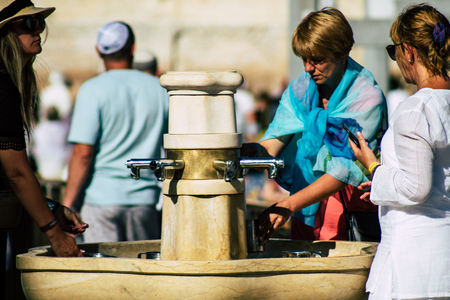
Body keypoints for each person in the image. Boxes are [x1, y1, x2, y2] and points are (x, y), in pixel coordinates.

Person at [241, 7, 386, 242]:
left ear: (342, 54)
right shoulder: (300, 90)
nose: (308, 68)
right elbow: (275, 139)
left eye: (317, 60)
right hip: (304, 208)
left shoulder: (366, 97)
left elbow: (343, 171)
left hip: (349, 213)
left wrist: (288, 204)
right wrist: (254, 153)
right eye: (305, 60)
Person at [350, 4, 450, 299]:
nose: (396, 60)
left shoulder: (416, 109)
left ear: (408, 51)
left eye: (394, 52)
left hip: (414, 267)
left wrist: (374, 168)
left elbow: (416, 187)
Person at [62, 21, 169, 243]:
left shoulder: (92, 89)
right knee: (142, 272)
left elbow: (83, 153)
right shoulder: (160, 89)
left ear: (98, 51)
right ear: (132, 48)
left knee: (104, 273)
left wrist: (68, 205)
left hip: (100, 200)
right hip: (145, 199)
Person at [0, 0, 87, 259]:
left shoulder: (10, 84)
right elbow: (16, 172)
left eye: (39, 22)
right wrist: (54, 234)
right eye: (28, 24)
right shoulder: (3, 87)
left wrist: (52, 208)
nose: (37, 30)